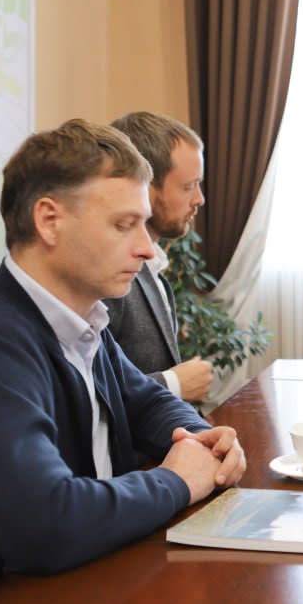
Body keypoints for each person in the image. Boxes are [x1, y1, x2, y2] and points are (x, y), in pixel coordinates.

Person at [0, 119, 246, 604]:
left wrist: (200, 438)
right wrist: (177, 480)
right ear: (49, 220)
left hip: (76, 594)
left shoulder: (80, 319)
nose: (146, 249)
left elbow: (145, 399)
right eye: (124, 224)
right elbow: (45, 522)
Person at [104, 111, 213, 403]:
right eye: (188, 186)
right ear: (144, 186)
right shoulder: (109, 275)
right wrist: (174, 384)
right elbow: (93, 392)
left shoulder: (154, 269)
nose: (199, 199)